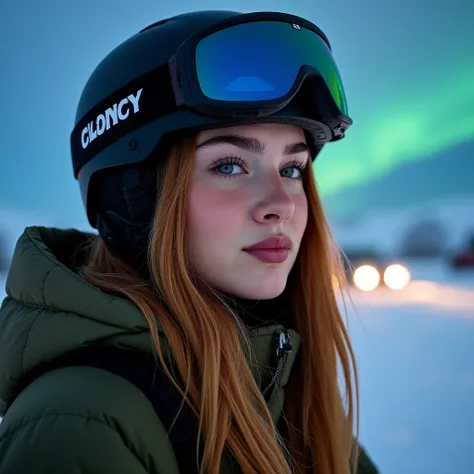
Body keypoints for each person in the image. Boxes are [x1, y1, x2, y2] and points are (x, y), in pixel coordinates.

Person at [0, 10, 380, 474]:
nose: (281, 203)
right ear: (134, 197)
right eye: (229, 166)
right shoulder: (81, 420)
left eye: (292, 168)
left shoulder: (280, 386)